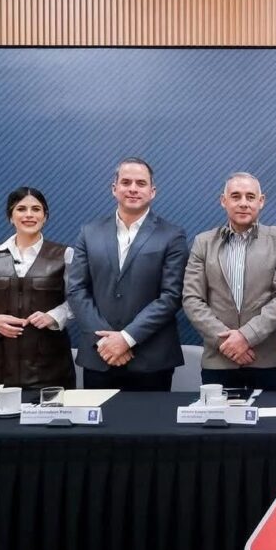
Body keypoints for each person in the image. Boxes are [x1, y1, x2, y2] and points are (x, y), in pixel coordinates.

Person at [67, 157, 188, 391]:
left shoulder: (172, 235)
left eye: (141, 183)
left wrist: (126, 338)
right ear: (114, 188)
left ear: (152, 191)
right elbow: (76, 289)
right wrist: (106, 341)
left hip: (151, 360)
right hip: (99, 355)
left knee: (151, 418)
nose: (133, 188)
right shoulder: (89, 233)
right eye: (126, 182)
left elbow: (172, 296)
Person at [182, 173, 276, 391]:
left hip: (266, 362)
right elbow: (192, 299)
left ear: (261, 201)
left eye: (250, 197)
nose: (243, 203)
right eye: (236, 196)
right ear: (223, 200)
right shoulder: (203, 243)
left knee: (269, 415)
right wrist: (227, 343)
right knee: (217, 415)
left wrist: (246, 337)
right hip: (219, 360)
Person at [0, 187, 76, 389]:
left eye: (36, 209)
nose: (29, 215)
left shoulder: (65, 255)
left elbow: (78, 298)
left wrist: (54, 316)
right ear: (10, 216)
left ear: (45, 216)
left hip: (50, 365)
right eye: (21, 209)